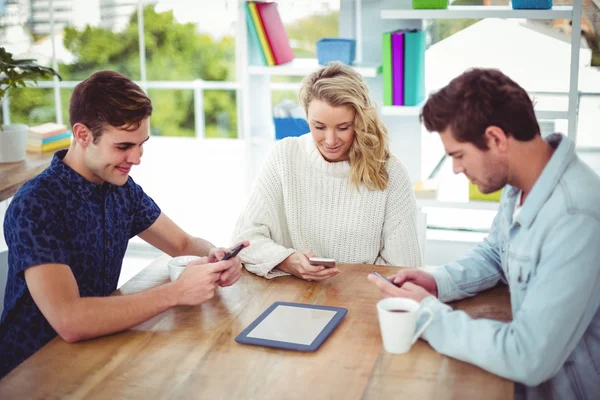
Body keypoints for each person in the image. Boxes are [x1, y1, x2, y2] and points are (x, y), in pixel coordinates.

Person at [368, 68, 600, 399]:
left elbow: (528, 356)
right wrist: (438, 282)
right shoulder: (522, 181)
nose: (456, 169)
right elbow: (496, 252)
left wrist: (427, 315)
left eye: (458, 155)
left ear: (495, 138)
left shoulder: (576, 216)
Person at [0, 71, 248, 379]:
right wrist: (176, 292)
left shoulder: (120, 189)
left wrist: (216, 256)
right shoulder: (36, 204)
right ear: (82, 134)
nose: (137, 158)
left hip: (94, 352)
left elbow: (182, 244)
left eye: (142, 144)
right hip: (30, 372)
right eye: (123, 146)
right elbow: (70, 319)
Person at [232, 61, 422, 281]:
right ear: (305, 116)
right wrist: (288, 260)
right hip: (293, 297)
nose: (330, 140)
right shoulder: (284, 156)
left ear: (360, 121)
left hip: (363, 298)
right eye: (319, 127)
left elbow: (405, 268)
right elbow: (244, 240)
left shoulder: (390, 171)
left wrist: (345, 283)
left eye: (343, 127)